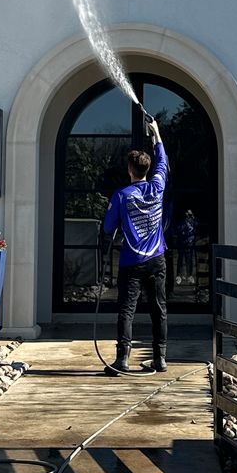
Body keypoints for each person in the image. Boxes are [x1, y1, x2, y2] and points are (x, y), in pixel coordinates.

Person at [100, 113, 169, 375]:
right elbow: (163, 160)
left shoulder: (121, 195)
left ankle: (123, 361)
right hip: (157, 260)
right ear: (146, 170)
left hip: (131, 261)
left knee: (127, 311)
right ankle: (160, 359)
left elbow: (108, 228)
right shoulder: (158, 186)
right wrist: (157, 133)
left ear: (130, 170)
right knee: (159, 309)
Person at [174, 209, 199, 283]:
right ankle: (179, 276)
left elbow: (196, 228)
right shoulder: (181, 222)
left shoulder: (193, 222)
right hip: (182, 243)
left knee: (190, 260)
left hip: (190, 243)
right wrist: (185, 230)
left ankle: (190, 276)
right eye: (187, 214)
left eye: (190, 214)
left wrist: (193, 219)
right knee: (180, 259)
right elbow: (179, 230)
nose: (188, 216)